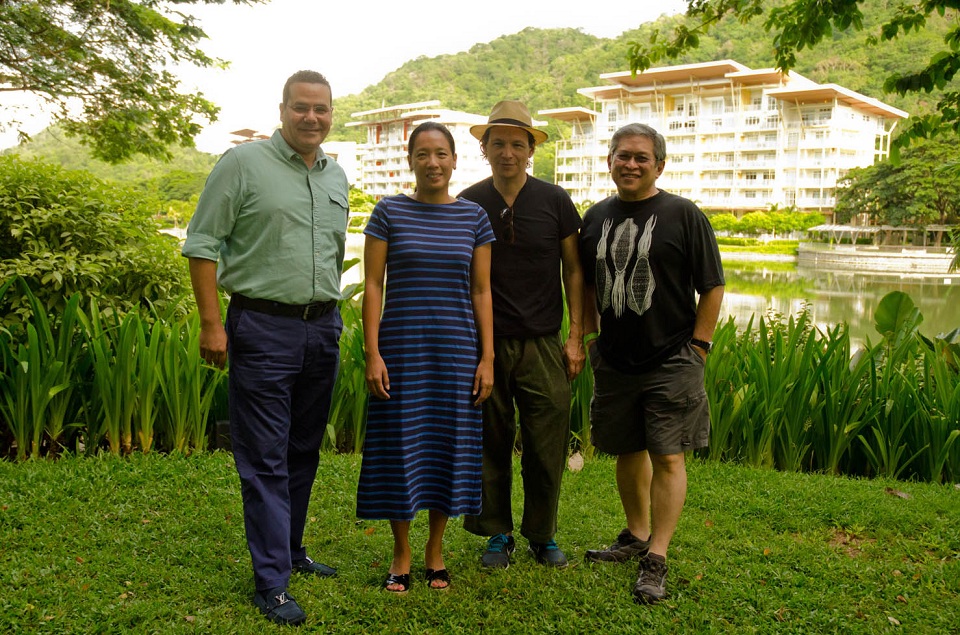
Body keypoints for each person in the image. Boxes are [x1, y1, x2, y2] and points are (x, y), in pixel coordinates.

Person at [182, 70, 348, 626]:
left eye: (321, 109)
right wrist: (212, 324)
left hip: (321, 328)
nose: (311, 117)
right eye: (301, 107)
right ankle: (272, 582)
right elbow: (202, 244)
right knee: (264, 459)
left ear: (331, 114)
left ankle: (293, 550)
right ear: (282, 110)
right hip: (261, 326)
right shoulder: (242, 164)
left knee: (304, 448)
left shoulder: (335, 175)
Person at [579, 123, 724, 604]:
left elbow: (712, 285)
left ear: (659, 165)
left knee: (667, 455)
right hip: (615, 360)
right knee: (627, 450)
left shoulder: (683, 214)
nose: (631, 164)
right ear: (610, 161)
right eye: (623, 155)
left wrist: (699, 347)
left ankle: (656, 557)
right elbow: (584, 283)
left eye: (642, 157)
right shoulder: (595, 217)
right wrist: (591, 339)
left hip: (672, 358)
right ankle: (636, 534)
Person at [357, 121, 495, 593]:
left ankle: (435, 549)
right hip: (401, 349)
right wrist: (372, 352)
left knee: (446, 446)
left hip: (456, 352)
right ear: (411, 160)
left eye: (441, 154)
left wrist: (487, 358)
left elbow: (481, 291)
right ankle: (402, 551)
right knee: (399, 445)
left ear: (454, 160)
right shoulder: (388, 211)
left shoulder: (474, 217)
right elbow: (372, 284)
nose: (432, 163)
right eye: (423, 154)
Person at [459, 100, 585, 568]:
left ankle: (542, 533)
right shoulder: (468, 202)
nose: (507, 153)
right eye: (498, 144)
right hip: (484, 344)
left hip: (543, 341)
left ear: (531, 150)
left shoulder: (555, 200)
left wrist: (576, 337)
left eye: (517, 144)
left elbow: (574, 271)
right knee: (488, 439)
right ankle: (496, 532)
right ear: (485, 149)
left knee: (546, 441)